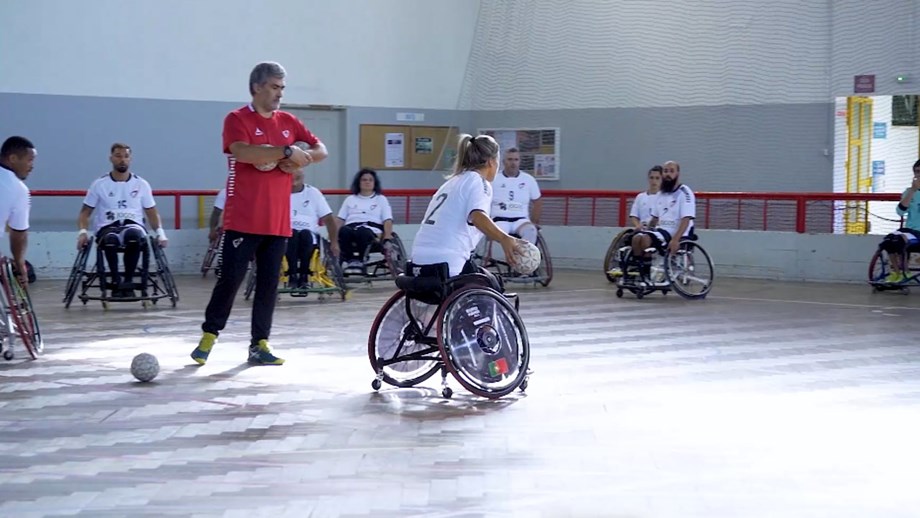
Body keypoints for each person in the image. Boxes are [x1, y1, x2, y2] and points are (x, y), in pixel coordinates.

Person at [191, 61, 326, 366]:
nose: (279, 93)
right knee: (230, 280)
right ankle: (210, 335)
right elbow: (243, 152)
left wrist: (302, 159)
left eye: (282, 88)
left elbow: (321, 150)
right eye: (274, 87)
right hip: (243, 219)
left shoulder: (289, 121)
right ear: (257, 87)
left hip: (278, 223)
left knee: (268, 284)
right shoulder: (237, 118)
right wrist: (285, 151)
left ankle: (259, 344)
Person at [410, 134, 525, 282]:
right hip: (446, 262)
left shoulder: (452, 182)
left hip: (417, 261)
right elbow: (478, 217)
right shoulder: (479, 182)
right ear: (491, 162)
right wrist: (504, 239)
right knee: (494, 285)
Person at [77, 143, 168, 298]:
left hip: (133, 224)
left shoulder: (141, 184)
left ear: (130, 159)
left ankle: (127, 282)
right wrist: (83, 232)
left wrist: (161, 233)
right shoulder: (99, 184)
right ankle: (116, 282)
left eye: (126, 156)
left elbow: (152, 212)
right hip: (108, 226)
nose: (122, 160)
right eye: (118, 156)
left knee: (133, 237)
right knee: (111, 240)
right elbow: (85, 212)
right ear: (111, 158)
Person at [627, 160, 696, 282]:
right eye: (665, 171)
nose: (668, 174)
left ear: (677, 174)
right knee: (637, 238)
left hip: (679, 232)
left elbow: (686, 218)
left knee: (645, 240)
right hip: (663, 230)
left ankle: (646, 274)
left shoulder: (685, 192)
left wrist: (675, 240)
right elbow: (654, 218)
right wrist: (645, 230)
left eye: (671, 171)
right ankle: (640, 270)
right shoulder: (661, 194)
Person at [287, 168, 339, 288]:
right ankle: (292, 275)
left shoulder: (313, 193)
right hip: (286, 235)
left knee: (305, 234)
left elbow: (329, 220)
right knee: (293, 234)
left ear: (303, 173)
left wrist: (334, 242)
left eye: (297, 170)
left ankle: (304, 276)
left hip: (309, 236)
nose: (294, 175)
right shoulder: (278, 191)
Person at [609, 165, 663, 278]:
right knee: (635, 238)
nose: (654, 181)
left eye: (657, 178)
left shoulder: (664, 197)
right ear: (648, 179)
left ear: (661, 179)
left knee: (645, 239)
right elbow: (633, 215)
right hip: (642, 228)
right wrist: (637, 225)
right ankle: (638, 265)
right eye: (652, 178)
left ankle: (647, 268)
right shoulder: (641, 197)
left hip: (656, 230)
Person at [337, 169, 393, 270]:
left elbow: (387, 219)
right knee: (343, 231)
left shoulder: (381, 199)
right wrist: (332, 235)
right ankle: (351, 260)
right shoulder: (350, 199)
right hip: (351, 228)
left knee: (362, 231)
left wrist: (387, 236)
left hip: (371, 231)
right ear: (359, 182)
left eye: (370, 180)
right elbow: (340, 219)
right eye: (364, 180)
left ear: (374, 183)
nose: (367, 182)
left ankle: (362, 259)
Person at [0, 136, 35, 287]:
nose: (32, 166)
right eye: (29, 160)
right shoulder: (18, 189)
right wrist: (20, 264)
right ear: (13, 158)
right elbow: (18, 233)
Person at [489, 147, 543, 244]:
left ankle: (524, 258)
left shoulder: (528, 180)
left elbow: (537, 202)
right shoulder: (494, 179)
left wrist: (534, 222)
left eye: (516, 160)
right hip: (499, 221)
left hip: (521, 221)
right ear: (503, 161)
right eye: (510, 159)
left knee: (531, 231)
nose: (513, 163)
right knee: (495, 234)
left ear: (519, 162)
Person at [878, 159, 920, 283]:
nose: (919, 175)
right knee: (888, 240)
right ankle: (896, 273)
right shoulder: (909, 192)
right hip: (909, 230)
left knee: (900, 240)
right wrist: (912, 191)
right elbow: (900, 211)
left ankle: (904, 271)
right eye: (917, 172)